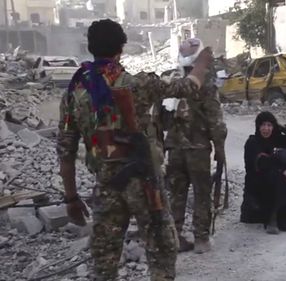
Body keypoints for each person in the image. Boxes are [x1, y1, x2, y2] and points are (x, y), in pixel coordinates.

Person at [57, 19, 213, 281]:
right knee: (162, 252)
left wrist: (71, 198)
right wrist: (201, 64)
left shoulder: (75, 91)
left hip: (107, 185)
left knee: (103, 263)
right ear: (121, 49)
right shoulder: (139, 84)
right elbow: (188, 86)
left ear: (90, 48)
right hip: (145, 184)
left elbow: (66, 150)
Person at [165, 38, 227, 254]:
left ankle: (175, 237)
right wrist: (219, 146)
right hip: (198, 149)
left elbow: (163, 116)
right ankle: (201, 239)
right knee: (201, 194)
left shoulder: (175, 80)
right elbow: (214, 117)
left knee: (176, 195)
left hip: (174, 149)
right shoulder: (206, 82)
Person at [241, 111, 286, 234]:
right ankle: (273, 218)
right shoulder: (252, 142)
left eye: (269, 125)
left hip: (274, 175)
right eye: (263, 125)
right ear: (258, 126)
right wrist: (284, 171)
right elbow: (262, 163)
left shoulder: (276, 140)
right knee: (279, 178)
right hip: (257, 183)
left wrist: (279, 126)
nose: (266, 129)